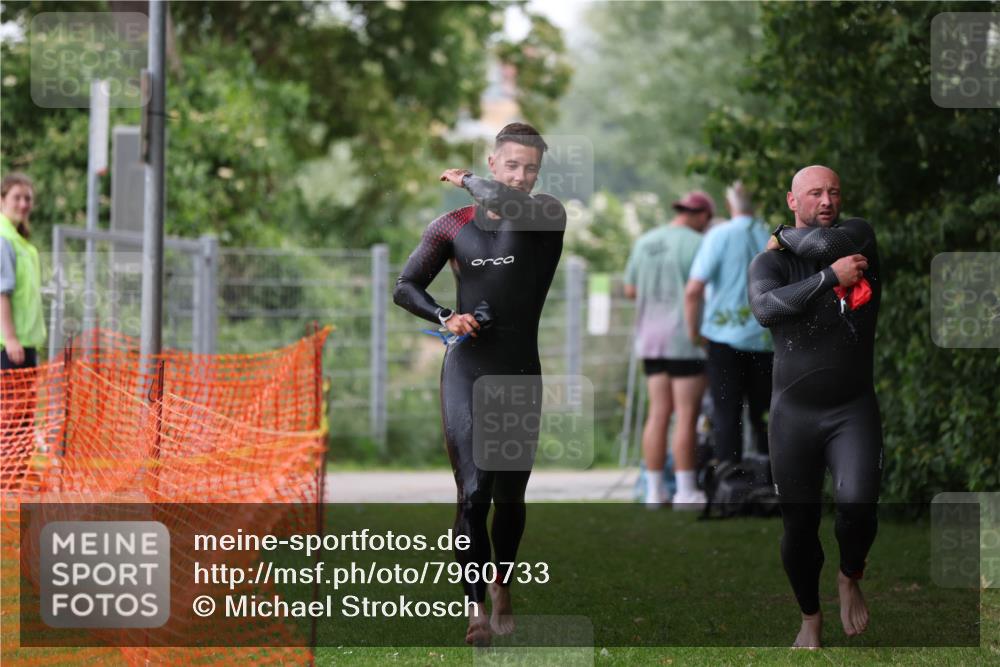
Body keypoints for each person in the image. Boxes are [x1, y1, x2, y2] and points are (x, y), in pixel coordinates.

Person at [393, 122, 565, 646]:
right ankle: (474, 612)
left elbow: (507, 203)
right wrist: (448, 315)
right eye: (510, 164)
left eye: (530, 168)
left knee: (510, 494)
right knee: (474, 491)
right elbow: (405, 286)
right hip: (468, 367)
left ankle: (503, 586)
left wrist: (467, 178)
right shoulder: (450, 226)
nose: (520, 176)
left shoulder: (544, 215)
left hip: (518, 368)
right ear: (495, 162)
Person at [747, 165, 881, 648]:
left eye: (834, 192)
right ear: (792, 199)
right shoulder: (770, 265)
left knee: (858, 509)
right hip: (793, 416)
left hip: (852, 410)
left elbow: (826, 248)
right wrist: (828, 279)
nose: (827, 200)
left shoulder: (857, 237)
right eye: (815, 193)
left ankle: (850, 574)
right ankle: (809, 616)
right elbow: (765, 310)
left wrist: (784, 236)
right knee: (799, 527)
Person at [624, 191, 713, 509]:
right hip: (684, 340)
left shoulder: (645, 241)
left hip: (650, 339)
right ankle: (686, 490)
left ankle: (654, 490)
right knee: (687, 416)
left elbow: (630, 289)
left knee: (658, 414)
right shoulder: (698, 243)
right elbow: (701, 289)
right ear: (701, 215)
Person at [684, 181, 773, 465]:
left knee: (726, 413)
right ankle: (772, 482)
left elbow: (694, 290)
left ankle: (729, 481)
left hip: (723, 340)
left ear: (729, 202)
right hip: (765, 338)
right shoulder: (771, 236)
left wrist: (694, 333)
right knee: (766, 413)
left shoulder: (719, 236)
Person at [1, 172, 46, 489]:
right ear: (3, 200)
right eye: (17, 197)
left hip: (26, 343)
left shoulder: (21, 242)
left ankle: (14, 476)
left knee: (23, 416)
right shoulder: (4, 239)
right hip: (11, 346)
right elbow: (1, 292)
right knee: (11, 416)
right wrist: (12, 338)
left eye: (28, 198)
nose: (23, 203)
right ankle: (7, 479)